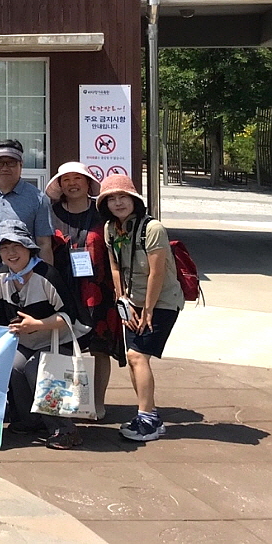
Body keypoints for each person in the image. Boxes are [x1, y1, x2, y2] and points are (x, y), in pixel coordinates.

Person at [0, 220, 84, 450]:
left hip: (56, 340)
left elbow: (69, 317)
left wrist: (38, 324)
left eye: (16, 246)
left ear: (29, 248)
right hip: (24, 342)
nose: (11, 253)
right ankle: (26, 419)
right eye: (4, 248)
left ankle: (64, 428)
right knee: (10, 366)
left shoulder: (47, 275)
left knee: (38, 369)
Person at [98, 174, 185, 442]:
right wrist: (122, 300)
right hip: (132, 303)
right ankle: (149, 416)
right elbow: (115, 266)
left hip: (162, 302)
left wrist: (147, 310)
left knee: (137, 356)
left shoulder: (153, 228)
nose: (118, 202)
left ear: (134, 199)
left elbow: (157, 273)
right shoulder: (110, 229)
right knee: (136, 360)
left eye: (122, 196)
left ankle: (147, 419)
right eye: (111, 199)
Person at [45, 161, 121, 420]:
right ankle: (65, 403)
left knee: (100, 349)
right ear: (60, 185)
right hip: (63, 291)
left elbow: (116, 253)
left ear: (88, 183)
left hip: (98, 292)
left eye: (79, 178)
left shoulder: (103, 215)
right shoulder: (50, 213)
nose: (73, 183)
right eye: (66, 179)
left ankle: (98, 404)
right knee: (62, 347)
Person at [0, 139, 54, 265]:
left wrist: (46, 278)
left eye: (10, 163)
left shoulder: (38, 198)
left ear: (21, 164)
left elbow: (43, 243)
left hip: (25, 274)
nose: (5, 168)